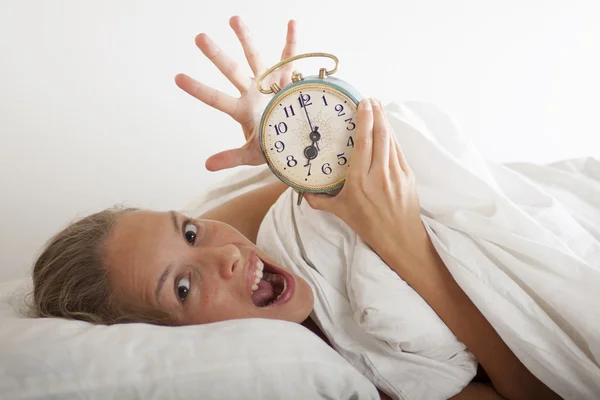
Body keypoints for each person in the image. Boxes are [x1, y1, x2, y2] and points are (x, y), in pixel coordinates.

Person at [31, 16, 560, 400]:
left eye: (190, 232)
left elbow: (380, 156)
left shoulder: (252, 223)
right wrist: (403, 243)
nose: (225, 255)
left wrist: (298, 133)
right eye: (183, 287)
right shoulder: (329, 373)